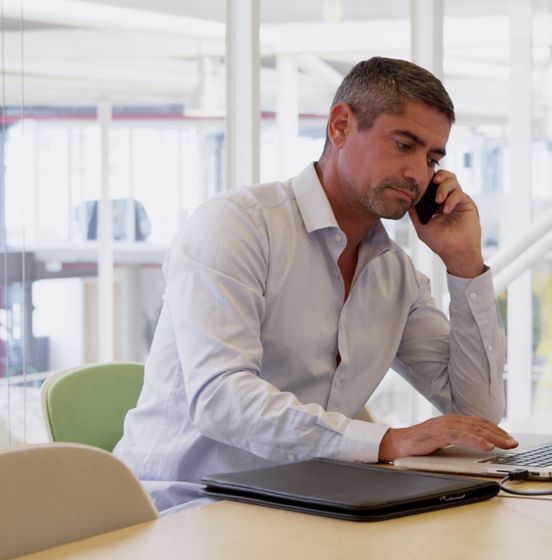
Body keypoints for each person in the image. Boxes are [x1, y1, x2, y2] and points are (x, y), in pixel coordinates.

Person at [114, 57, 516, 509]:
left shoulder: (394, 273)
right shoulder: (237, 226)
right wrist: (386, 441)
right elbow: (221, 398)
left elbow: (478, 415)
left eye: (432, 158)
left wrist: (464, 264)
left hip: (301, 506)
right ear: (340, 126)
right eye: (404, 145)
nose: (418, 175)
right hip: (180, 511)